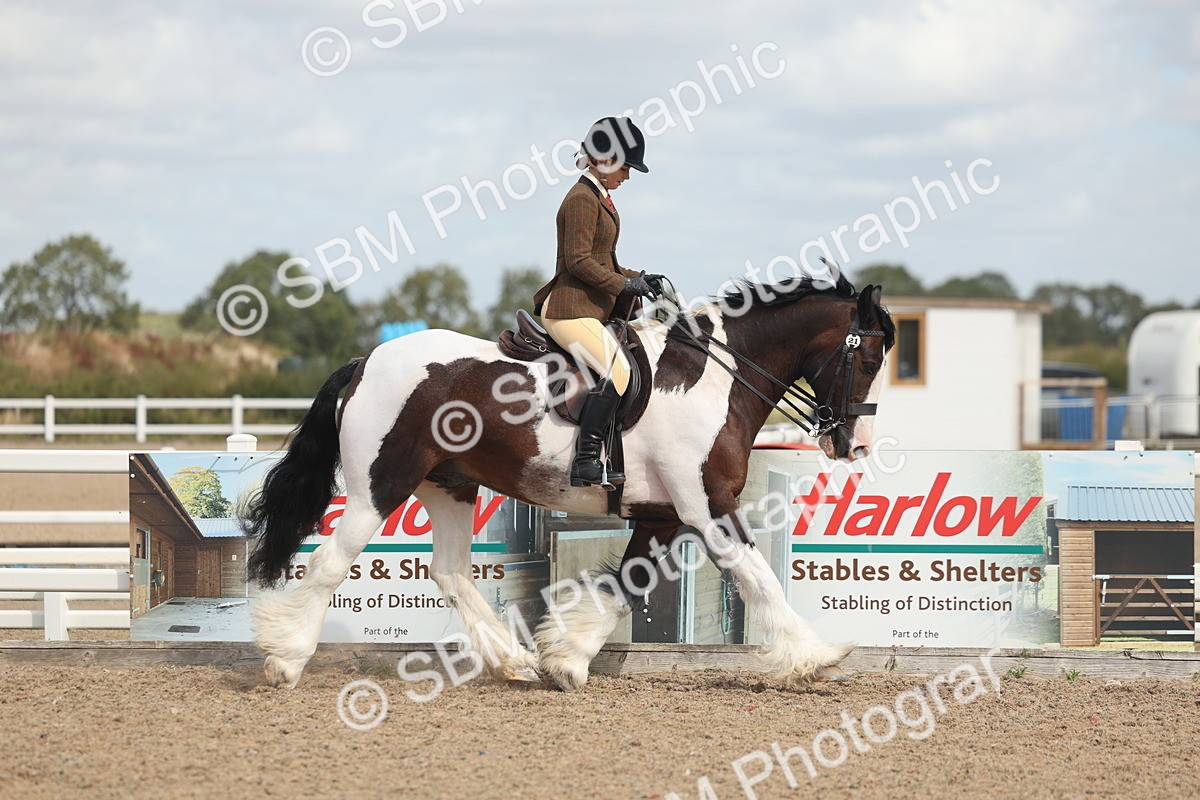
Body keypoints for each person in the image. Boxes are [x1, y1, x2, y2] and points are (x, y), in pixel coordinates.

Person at [532, 117, 663, 488]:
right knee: (618, 371)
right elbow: (578, 261)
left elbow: (602, 259)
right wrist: (625, 285)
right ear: (605, 160)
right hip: (569, 310)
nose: (628, 175)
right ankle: (585, 458)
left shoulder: (598, 197)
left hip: (588, 309)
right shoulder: (580, 200)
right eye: (625, 167)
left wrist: (639, 278)